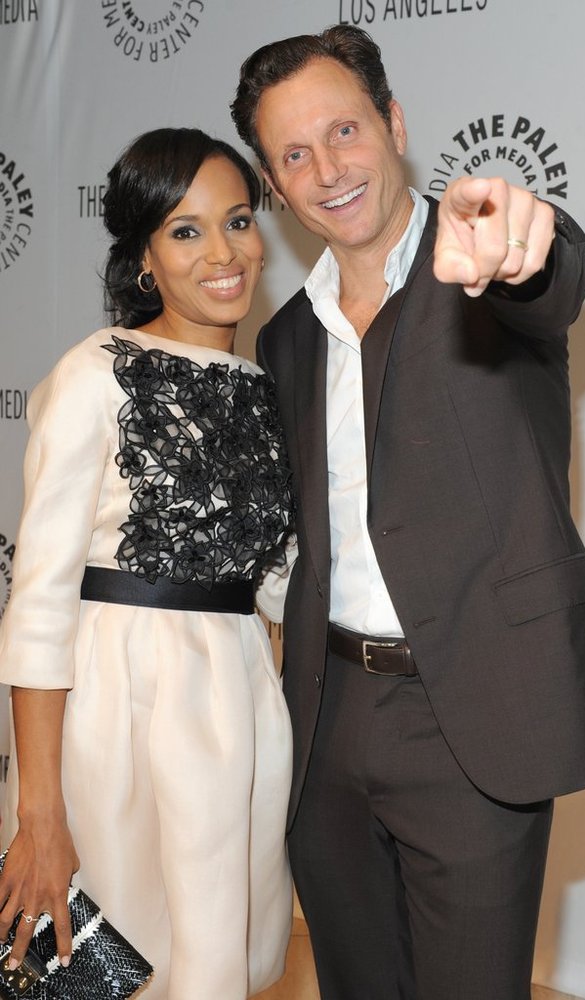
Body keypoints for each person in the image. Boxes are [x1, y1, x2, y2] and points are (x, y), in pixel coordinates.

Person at [231, 25, 585, 1000]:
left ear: (393, 123)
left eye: (344, 130)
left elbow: (548, 276)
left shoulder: (480, 266)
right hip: (325, 720)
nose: (326, 170)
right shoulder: (286, 337)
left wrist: (522, 243)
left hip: (470, 717)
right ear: (274, 182)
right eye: (293, 154)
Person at [0, 127, 295, 1000]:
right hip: (118, 710)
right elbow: (39, 605)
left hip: (239, 712)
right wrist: (38, 813)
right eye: (185, 231)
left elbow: (280, 586)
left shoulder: (268, 389)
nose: (224, 253)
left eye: (237, 220)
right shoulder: (95, 374)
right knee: (112, 972)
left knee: (218, 962)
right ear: (144, 260)